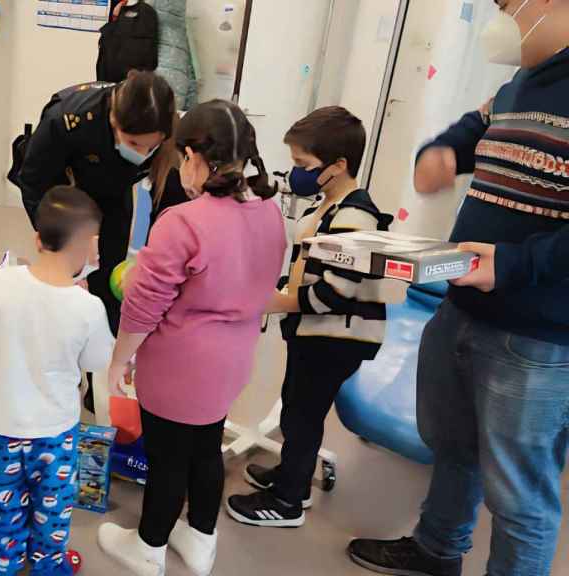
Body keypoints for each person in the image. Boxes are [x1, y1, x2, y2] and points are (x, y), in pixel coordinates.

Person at [347, 2, 569, 575]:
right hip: (462, 302)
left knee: (519, 496)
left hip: (538, 337)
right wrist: (439, 154)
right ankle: (437, 548)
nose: (502, 20)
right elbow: (465, 135)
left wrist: (515, 266)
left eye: (507, 6)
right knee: (453, 447)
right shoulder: (519, 84)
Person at [97, 100, 286, 576]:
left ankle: (148, 547)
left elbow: (142, 307)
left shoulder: (182, 222)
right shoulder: (269, 211)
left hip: (181, 366)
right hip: (234, 359)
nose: (183, 167)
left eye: (184, 156)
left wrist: (119, 360)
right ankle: (202, 538)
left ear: (197, 156)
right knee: (206, 447)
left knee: (167, 459)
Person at [226, 106, 392, 527]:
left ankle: (288, 502)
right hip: (313, 331)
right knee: (295, 405)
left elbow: (336, 291)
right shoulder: (326, 206)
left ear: (338, 165)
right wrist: (282, 287)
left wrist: (277, 301)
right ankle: (290, 475)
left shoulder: (355, 217)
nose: (295, 174)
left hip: (337, 337)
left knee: (303, 416)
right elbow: (307, 269)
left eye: (303, 165)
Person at [0, 186, 114, 576]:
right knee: (52, 509)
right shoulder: (88, 306)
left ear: (37, 239)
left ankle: (4, 565)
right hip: (57, 433)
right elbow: (97, 361)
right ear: (91, 246)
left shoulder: (2, 282)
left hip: (5, 428)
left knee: (5, 506)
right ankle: (48, 566)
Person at [15, 70, 174, 410]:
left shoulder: (166, 131)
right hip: (65, 197)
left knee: (109, 282)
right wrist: (61, 240)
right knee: (65, 287)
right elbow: (33, 183)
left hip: (113, 195)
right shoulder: (68, 119)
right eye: (133, 143)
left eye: (152, 145)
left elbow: (169, 198)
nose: (143, 152)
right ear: (113, 119)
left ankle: (101, 380)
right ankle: (61, 375)